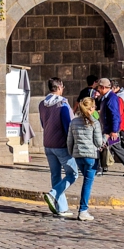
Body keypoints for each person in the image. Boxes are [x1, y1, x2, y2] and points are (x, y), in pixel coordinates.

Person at [39, 78, 76, 218]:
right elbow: (69, 125)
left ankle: (62, 208)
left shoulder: (42, 104)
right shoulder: (62, 104)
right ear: (60, 87)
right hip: (61, 144)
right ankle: (53, 194)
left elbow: (43, 123)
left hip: (48, 143)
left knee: (55, 175)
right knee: (73, 174)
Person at [67, 96, 104, 221]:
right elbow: (99, 143)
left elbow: (69, 141)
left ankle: (83, 209)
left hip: (78, 156)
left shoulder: (73, 122)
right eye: (94, 107)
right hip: (91, 156)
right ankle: (83, 210)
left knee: (86, 181)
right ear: (91, 108)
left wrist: (72, 152)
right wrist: (105, 138)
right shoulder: (94, 122)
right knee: (87, 183)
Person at [95, 78, 124, 175]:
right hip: (107, 127)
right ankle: (101, 168)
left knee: (114, 147)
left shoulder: (112, 98)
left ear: (103, 87)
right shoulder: (105, 97)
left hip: (110, 129)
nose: (98, 90)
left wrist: (114, 130)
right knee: (105, 146)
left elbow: (115, 115)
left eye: (99, 88)